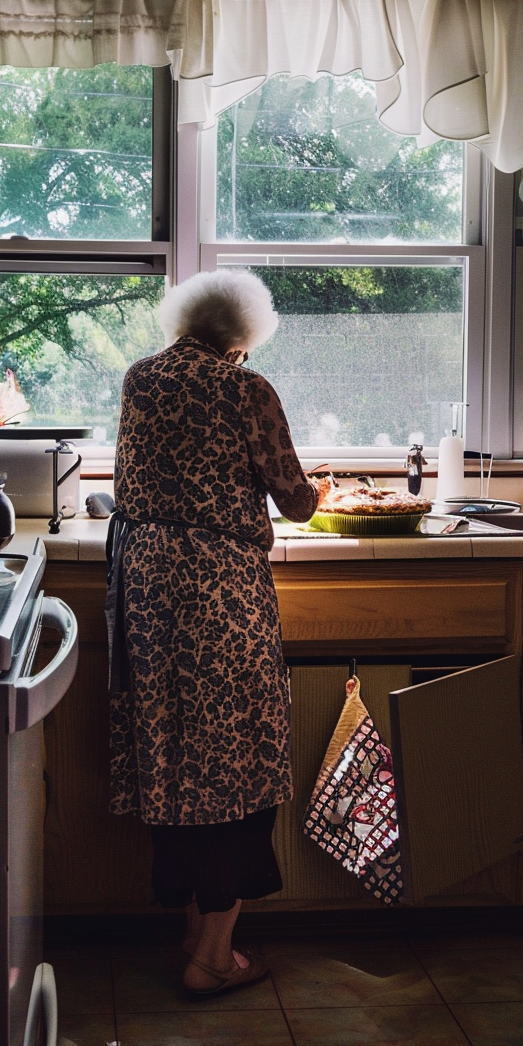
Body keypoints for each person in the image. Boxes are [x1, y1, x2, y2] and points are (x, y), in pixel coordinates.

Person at [105, 269, 325, 997]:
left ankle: (194, 936)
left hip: (144, 585)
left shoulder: (141, 379)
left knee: (173, 758)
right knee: (234, 761)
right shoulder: (245, 389)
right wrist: (318, 486)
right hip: (218, 592)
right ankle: (212, 958)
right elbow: (294, 500)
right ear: (245, 335)